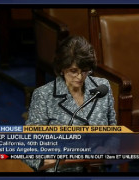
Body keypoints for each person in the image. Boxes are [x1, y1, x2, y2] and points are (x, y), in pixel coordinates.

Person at [24, 35, 117, 171]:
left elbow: (113, 130)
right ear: (62, 68)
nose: (80, 77)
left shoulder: (102, 87)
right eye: (73, 71)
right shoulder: (44, 95)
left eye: (85, 71)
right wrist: (43, 159)